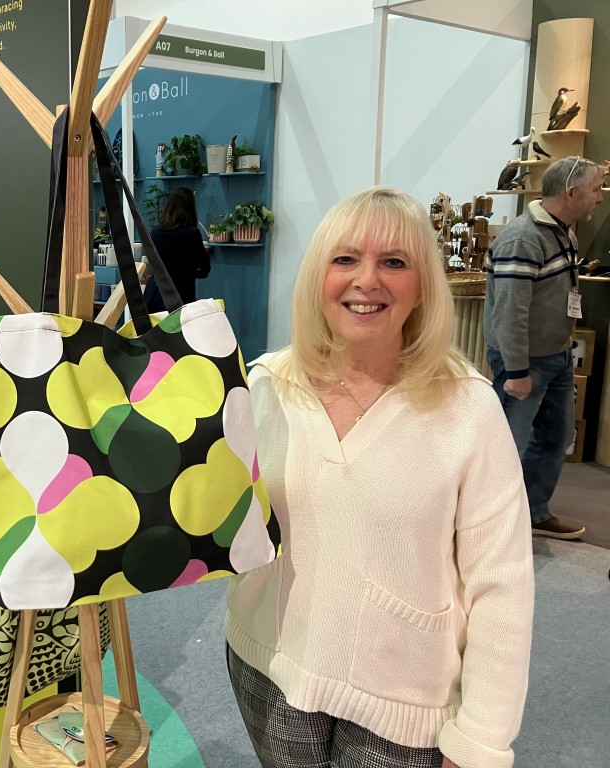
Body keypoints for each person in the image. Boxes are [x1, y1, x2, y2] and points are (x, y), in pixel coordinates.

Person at [226, 187, 534, 768]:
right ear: (318, 275)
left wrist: (481, 743)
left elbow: (504, 584)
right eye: (345, 259)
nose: (366, 279)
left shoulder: (467, 407)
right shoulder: (267, 383)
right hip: (268, 664)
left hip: (403, 701)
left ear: (422, 287)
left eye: (394, 262)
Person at [484, 155, 605, 541]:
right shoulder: (524, 238)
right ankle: (484, 526)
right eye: (595, 190)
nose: (600, 198)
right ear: (571, 193)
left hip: (555, 356)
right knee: (504, 446)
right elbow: (509, 311)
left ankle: (533, 513)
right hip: (525, 364)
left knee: (556, 438)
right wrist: (517, 372)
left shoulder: (562, 229)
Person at [144, 187, 210, 311]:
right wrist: (186, 272)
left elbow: (152, 262)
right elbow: (205, 270)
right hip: (181, 298)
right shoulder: (192, 233)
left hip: (154, 296)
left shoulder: (156, 232)